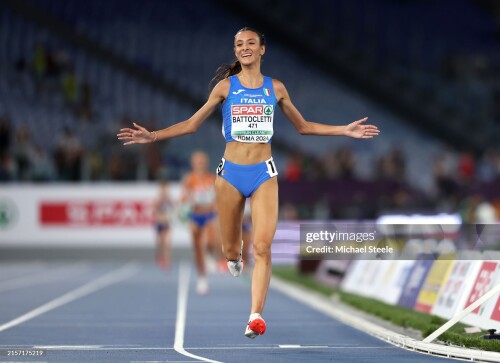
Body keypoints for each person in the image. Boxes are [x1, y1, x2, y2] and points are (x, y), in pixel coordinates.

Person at [117, 27, 380, 339]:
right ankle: (233, 256)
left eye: (250, 43)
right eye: (239, 44)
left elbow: (304, 126)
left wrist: (344, 131)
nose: (244, 48)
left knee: (263, 247)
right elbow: (191, 123)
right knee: (231, 249)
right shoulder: (225, 88)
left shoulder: (276, 88)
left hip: (263, 174)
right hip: (229, 175)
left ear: (262, 49)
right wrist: (154, 136)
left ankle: (255, 315)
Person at [180, 151, 221, 295]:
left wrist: (215, 206)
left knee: (210, 242)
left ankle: (210, 256)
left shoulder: (211, 178)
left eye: (202, 162)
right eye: (198, 162)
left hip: (209, 214)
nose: (200, 164)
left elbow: (217, 198)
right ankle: (202, 278)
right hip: (195, 215)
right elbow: (183, 198)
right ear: (193, 163)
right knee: (197, 248)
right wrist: (188, 200)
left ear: (206, 163)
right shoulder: (189, 179)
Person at [153, 180, 173, 270]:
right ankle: (160, 256)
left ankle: (167, 260)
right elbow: (154, 208)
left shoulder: (169, 199)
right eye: (163, 189)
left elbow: (173, 207)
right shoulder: (158, 199)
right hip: (159, 223)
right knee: (160, 243)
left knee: (167, 243)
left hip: (167, 223)